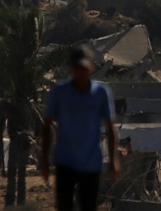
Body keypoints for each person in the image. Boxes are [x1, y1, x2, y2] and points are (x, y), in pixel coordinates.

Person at [41, 46, 120, 211]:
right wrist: (45, 158)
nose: (81, 72)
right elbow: (47, 125)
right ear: (71, 69)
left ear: (92, 67)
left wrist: (114, 160)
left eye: (84, 68)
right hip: (65, 160)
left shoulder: (101, 93)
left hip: (91, 162)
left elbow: (110, 127)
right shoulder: (59, 92)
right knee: (64, 206)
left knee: (88, 206)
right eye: (77, 68)